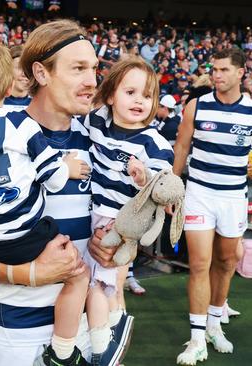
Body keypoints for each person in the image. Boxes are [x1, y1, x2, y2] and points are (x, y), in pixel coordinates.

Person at [0, 20, 125, 366]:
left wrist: (116, 246)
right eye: (78, 69)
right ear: (41, 72)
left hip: (80, 335)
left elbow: (117, 231)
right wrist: (28, 275)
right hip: (15, 341)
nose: (91, 82)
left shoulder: (98, 140)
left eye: (94, 69)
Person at [172, 47, 252, 365]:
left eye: (224, 69)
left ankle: (215, 324)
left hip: (233, 198)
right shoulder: (195, 106)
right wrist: (174, 190)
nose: (216, 75)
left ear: (241, 72)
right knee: (200, 265)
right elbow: (182, 148)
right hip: (199, 194)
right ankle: (197, 338)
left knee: (227, 263)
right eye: (213, 69)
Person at [81, 58, 174, 364]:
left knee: (104, 286)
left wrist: (143, 178)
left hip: (117, 223)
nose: (139, 100)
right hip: (85, 214)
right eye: (130, 91)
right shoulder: (96, 121)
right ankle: (109, 334)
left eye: (147, 96)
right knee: (91, 287)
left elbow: (161, 189)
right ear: (110, 96)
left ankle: (105, 350)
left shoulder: (156, 144)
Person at [2, 45, 32, 112]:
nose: (24, 74)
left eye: (28, 68)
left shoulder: (40, 104)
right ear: (7, 69)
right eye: (19, 67)